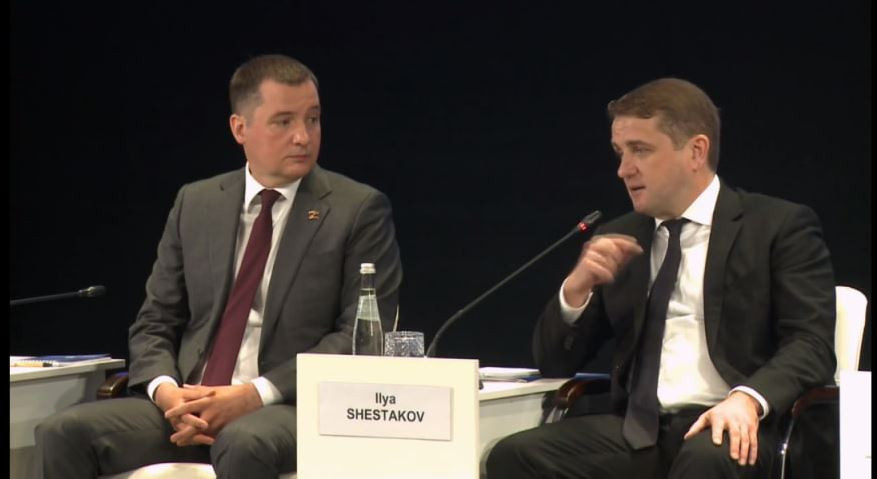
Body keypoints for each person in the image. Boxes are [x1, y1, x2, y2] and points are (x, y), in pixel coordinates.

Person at [33, 54, 402, 478]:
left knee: (243, 441)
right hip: (187, 403)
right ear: (239, 129)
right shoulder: (197, 202)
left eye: (313, 120)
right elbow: (155, 321)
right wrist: (168, 393)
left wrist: (253, 394)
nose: (303, 136)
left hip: (286, 405)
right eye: (283, 122)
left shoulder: (358, 209)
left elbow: (359, 336)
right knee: (62, 433)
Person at [485, 78, 836, 478]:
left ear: (696, 151)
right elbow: (555, 362)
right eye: (620, 152)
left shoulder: (777, 226)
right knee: (513, 456)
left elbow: (811, 344)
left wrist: (748, 399)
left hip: (735, 425)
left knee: (705, 460)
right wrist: (576, 290)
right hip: (640, 431)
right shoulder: (621, 237)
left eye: (640, 150)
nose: (623, 169)